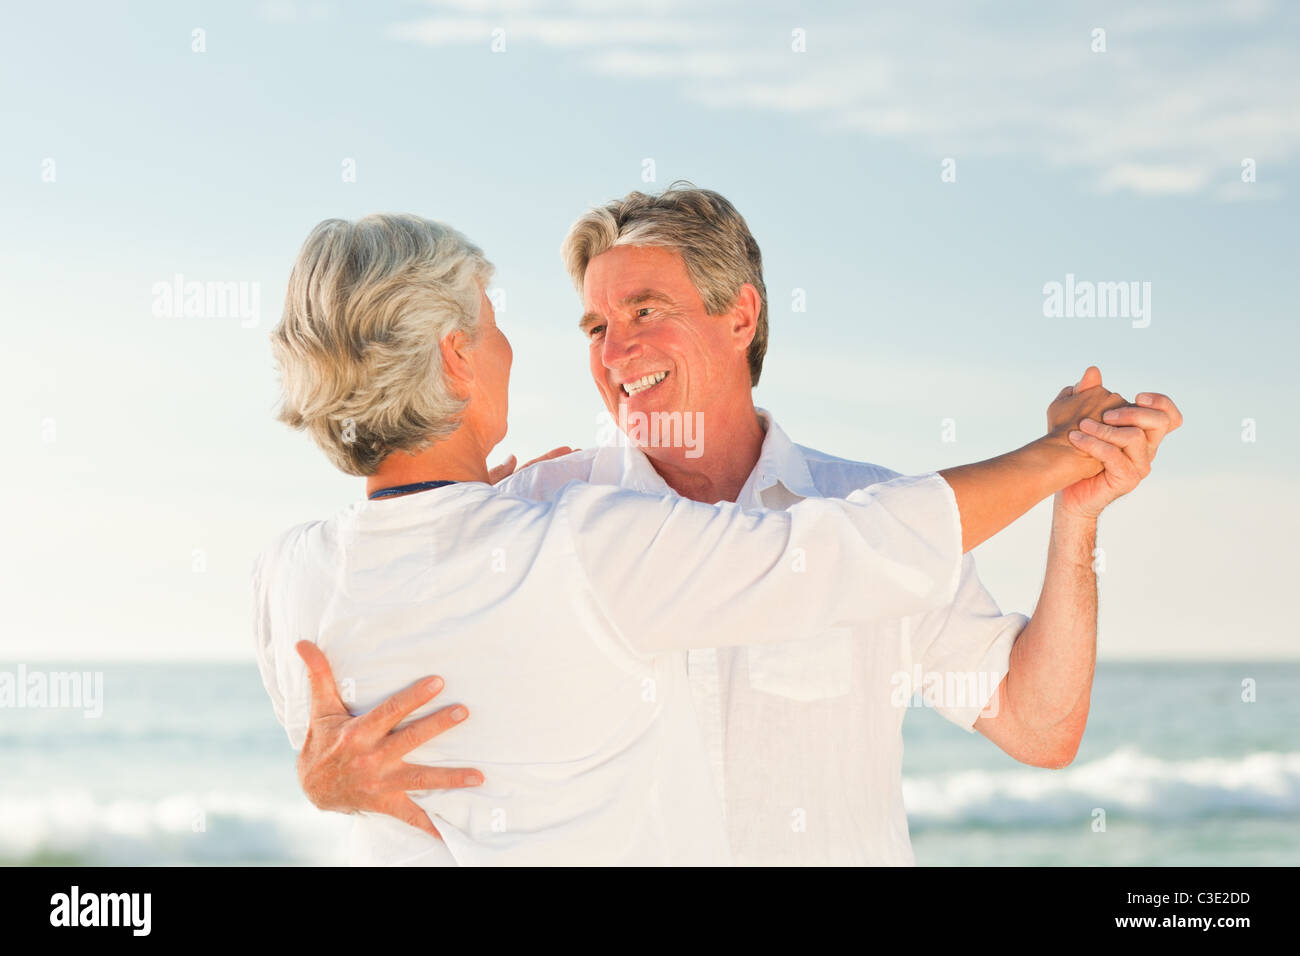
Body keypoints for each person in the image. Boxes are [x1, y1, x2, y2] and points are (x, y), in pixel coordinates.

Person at [265, 202, 1172, 865]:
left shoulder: (879, 508)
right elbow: (409, 607)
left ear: (740, 315)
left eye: (644, 311)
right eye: (595, 326)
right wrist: (327, 786)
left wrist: (1076, 514)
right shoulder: (539, 516)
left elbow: (1039, 726)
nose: (614, 352)